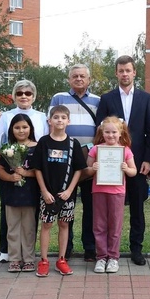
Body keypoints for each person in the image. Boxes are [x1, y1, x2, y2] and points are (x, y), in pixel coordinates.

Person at [96, 55, 150, 266]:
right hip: (111, 165)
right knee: (110, 210)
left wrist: (149, 159)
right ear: (116, 73)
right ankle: (107, 252)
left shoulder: (146, 98)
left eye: (128, 70)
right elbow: (99, 129)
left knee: (137, 208)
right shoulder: (107, 98)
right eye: (121, 71)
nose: (124, 74)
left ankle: (136, 249)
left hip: (137, 163)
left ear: (134, 73)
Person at [0, 80, 49, 263]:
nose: (24, 96)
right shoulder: (7, 116)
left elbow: (45, 141)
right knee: (8, 211)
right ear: (14, 96)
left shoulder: (40, 116)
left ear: (34, 96)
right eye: (20, 93)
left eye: (28, 93)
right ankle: (7, 250)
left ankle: (28, 253)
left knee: (31, 214)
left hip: (32, 171)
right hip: (8, 169)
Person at [49, 64, 100, 261]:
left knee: (90, 205)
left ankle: (90, 247)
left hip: (88, 156)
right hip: (64, 157)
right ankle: (66, 247)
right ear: (69, 79)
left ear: (89, 80)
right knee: (65, 203)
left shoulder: (98, 100)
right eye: (75, 76)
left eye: (82, 76)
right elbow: (51, 124)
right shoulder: (59, 97)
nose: (79, 79)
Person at [31, 105, 86, 276]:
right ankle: (44, 260)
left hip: (66, 194)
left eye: (63, 117)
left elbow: (78, 169)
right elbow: (37, 168)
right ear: (50, 120)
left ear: (68, 121)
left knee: (64, 224)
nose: (59, 120)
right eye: (56, 117)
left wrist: (70, 190)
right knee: (46, 224)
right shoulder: (44, 142)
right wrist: (44, 191)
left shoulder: (73, 143)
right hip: (47, 193)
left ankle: (61, 259)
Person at [85, 116, 137, 273]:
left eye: (114, 132)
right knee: (99, 225)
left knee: (115, 226)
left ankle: (113, 257)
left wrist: (126, 169)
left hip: (117, 192)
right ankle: (101, 257)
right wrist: (93, 168)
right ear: (102, 132)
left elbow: (133, 171)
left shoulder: (125, 150)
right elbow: (86, 170)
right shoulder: (96, 149)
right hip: (99, 191)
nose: (110, 135)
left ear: (120, 132)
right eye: (107, 132)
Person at [0, 114, 39, 273]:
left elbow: (41, 171)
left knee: (28, 228)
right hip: (11, 194)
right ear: (11, 130)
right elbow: (0, 170)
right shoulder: (7, 148)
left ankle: (28, 259)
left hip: (30, 195)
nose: (21, 131)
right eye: (17, 127)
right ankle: (14, 259)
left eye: (25, 127)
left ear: (30, 128)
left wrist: (27, 174)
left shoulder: (37, 147)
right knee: (12, 227)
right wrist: (10, 177)